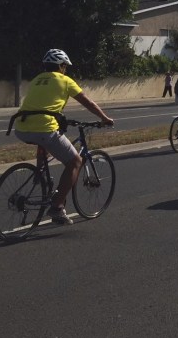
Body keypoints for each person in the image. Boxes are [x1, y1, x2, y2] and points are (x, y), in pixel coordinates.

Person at [12, 49, 114, 225]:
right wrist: (105, 118)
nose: (65, 70)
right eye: (65, 66)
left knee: (42, 139)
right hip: (44, 128)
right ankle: (57, 207)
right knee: (75, 161)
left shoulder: (37, 79)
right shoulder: (65, 80)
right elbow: (87, 102)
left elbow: (42, 103)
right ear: (60, 66)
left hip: (20, 127)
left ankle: (40, 174)